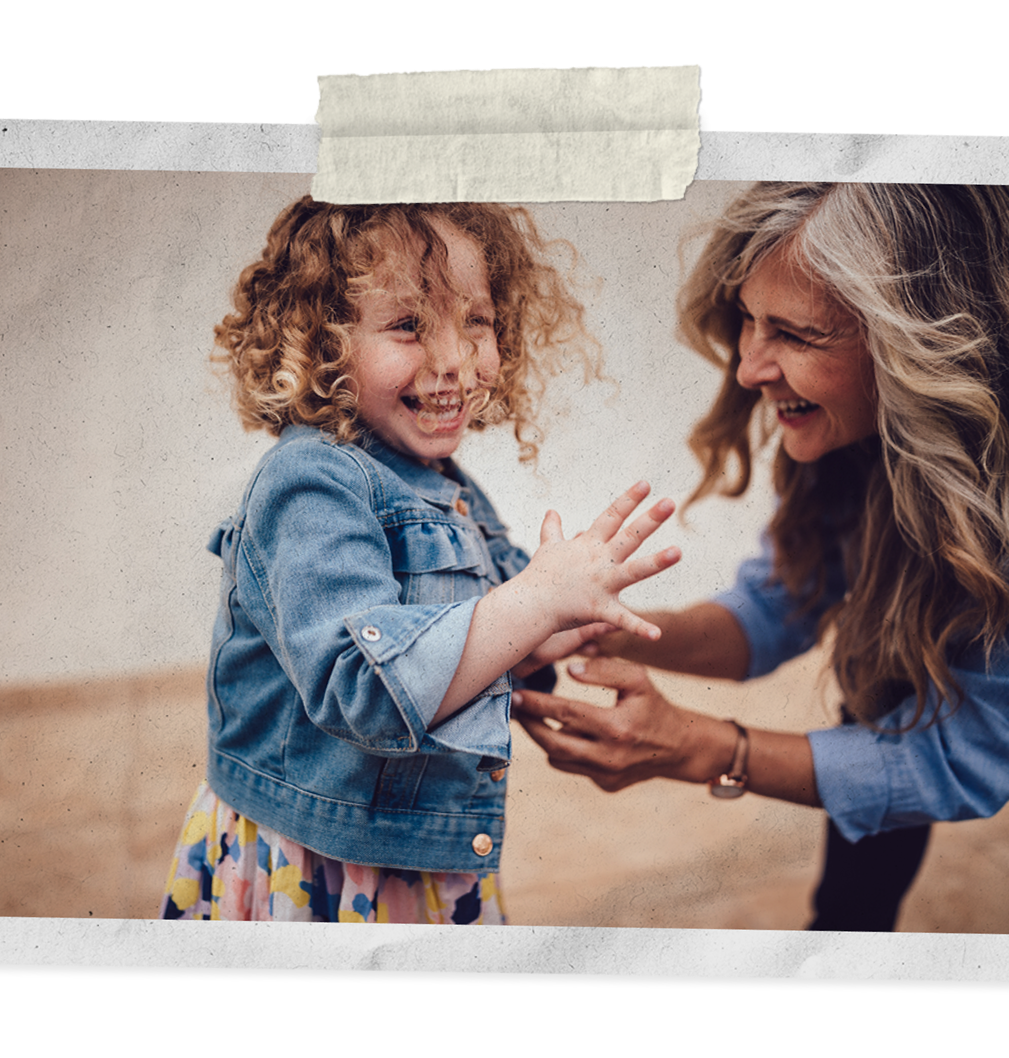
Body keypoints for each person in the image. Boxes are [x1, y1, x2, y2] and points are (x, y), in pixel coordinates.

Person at [514, 182, 1009, 932]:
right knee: (883, 684)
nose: (750, 366)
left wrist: (702, 747)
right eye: (750, 322)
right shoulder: (848, 440)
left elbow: (967, 756)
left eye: (794, 334)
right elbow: (772, 608)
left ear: (916, 337)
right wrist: (611, 627)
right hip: (893, 687)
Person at [161, 196, 679, 924]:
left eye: (478, 321)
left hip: (415, 854)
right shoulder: (310, 482)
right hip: (317, 864)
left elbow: (475, 632)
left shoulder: (445, 486)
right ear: (322, 342)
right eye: (409, 325)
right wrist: (532, 602)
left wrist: (552, 628)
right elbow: (362, 687)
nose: (453, 361)